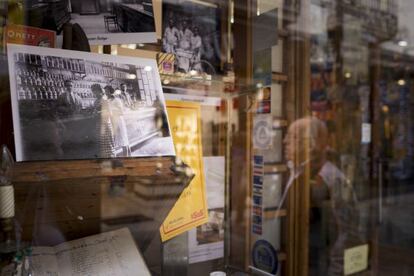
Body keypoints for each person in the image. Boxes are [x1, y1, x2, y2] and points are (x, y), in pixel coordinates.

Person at [283, 116, 360, 276]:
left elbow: (347, 234)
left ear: (312, 144)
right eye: (287, 136)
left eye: (293, 137)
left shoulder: (331, 178)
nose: (285, 141)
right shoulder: (294, 172)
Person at [105, 85, 131, 157]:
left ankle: (126, 156)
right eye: (105, 92)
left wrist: (112, 112)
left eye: (107, 91)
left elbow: (121, 112)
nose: (106, 93)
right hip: (113, 122)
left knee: (123, 139)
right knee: (117, 140)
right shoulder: (108, 101)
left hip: (119, 121)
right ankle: (127, 155)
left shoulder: (117, 100)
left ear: (111, 92)